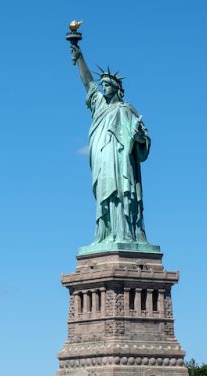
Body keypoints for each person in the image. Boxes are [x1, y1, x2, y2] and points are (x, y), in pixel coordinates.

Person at [70, 43, 152, 248]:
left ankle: (125, 234)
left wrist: (140, 137)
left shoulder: (126, 110)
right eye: (103, 84)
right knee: (105, 197)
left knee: (122, 195)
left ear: (116, 88)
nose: (103, 86)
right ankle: (106, 235)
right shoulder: (99, 106)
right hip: (102, 160)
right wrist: (79, 57)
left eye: (107, 84)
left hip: (121, 161)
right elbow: (88, 83)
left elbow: (143, 141)